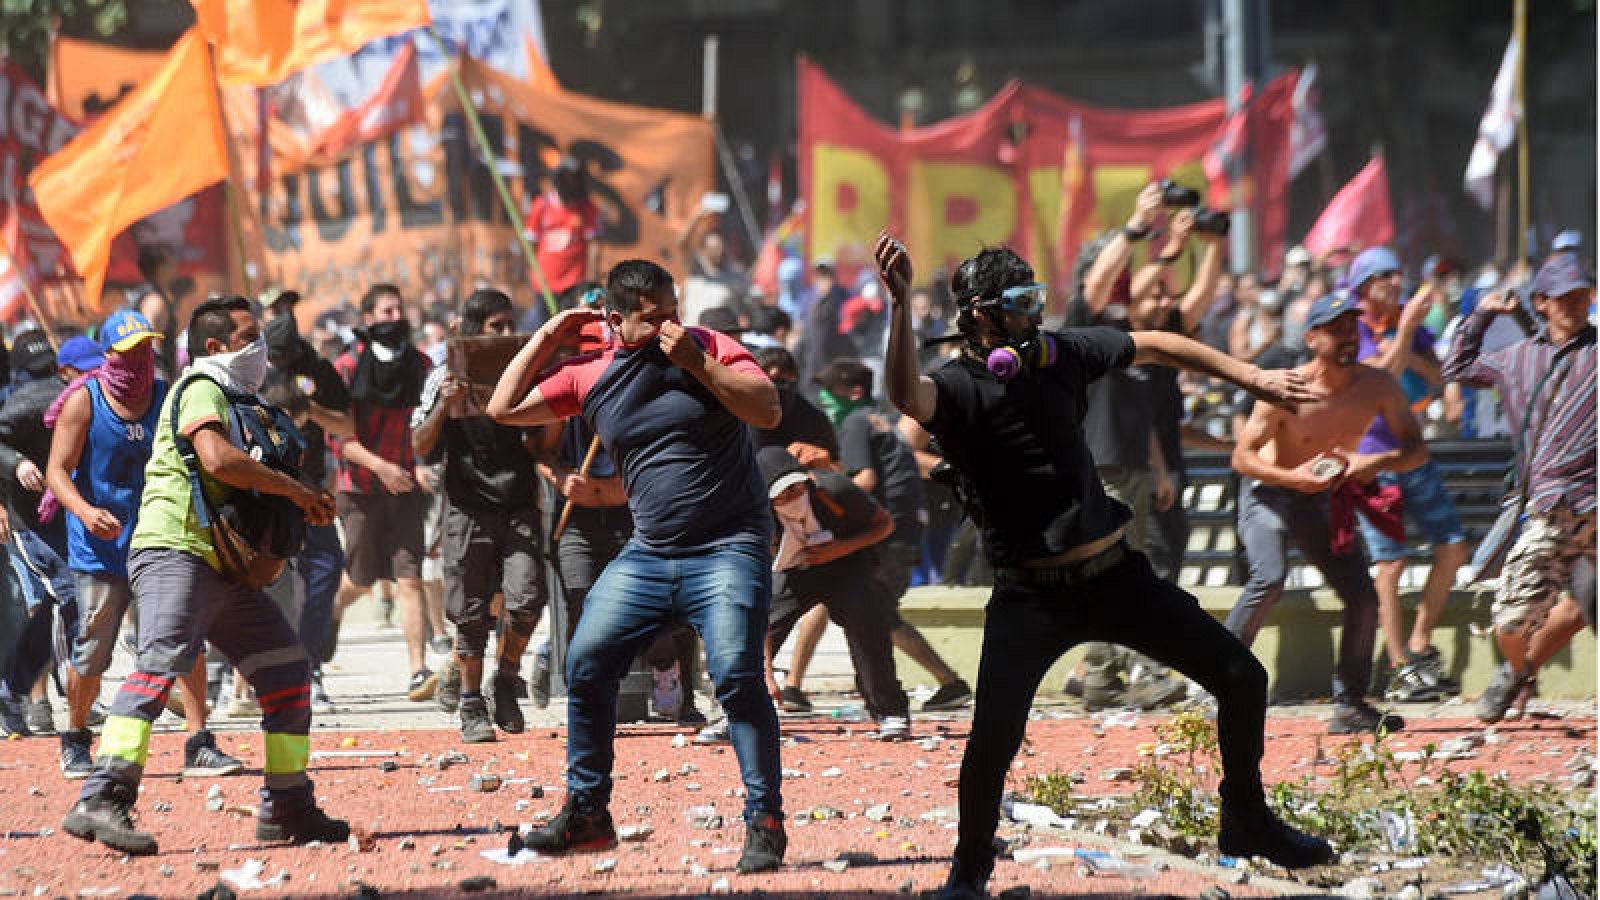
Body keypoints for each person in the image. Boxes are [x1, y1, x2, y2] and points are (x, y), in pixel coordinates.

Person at [872, 233, 1331, 899]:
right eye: (1021, 302)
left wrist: (1252, 376)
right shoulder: (958, 388)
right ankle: (967, 877)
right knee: (992, 741)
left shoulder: (1061, 353)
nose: (1036, 313)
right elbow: (904, 396)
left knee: (1242, 677)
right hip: (1029, 595)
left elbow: (1154, 343)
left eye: (1038, 297)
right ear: (980, 316)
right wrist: (896, 309)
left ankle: (1247, 820)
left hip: (1115, 578)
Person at [487, 259, 786, 874]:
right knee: (585, 662)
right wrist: (546, 336)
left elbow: (767, 409)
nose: (667, 328)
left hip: (729, 544)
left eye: (672, 312)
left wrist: (698, 364)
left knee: (734, 675)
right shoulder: (590, 374)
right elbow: (503, 407)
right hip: (652, 553)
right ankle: (588, 817)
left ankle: (765, 820)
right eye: (651, 320)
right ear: (613, 320)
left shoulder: (708, 346)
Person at [61, 295, 348, 855]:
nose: (260, 346)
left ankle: (287, 804)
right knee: (160, 661)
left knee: (288, 671)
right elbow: (216, 459)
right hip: (175, 547)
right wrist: (296, 490)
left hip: (219, 563)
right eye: (248, 336)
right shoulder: (201, 388)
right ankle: (102, 795)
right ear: (214, 347)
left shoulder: (240, 395)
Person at [46, 310, 240, 779]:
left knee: (185, 640)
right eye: (128, 351)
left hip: (160, 540)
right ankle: (75, 738)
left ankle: (198, 741)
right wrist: (87, 513)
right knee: (93, 649)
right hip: (99, 549)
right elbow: (56, 470)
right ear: (108, 355)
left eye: (145, 350)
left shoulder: (168, 398)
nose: (138, 360)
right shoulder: (84, 402)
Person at [1227, 292, 1425, 733]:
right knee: (1269, 576)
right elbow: (1242, 458)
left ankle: (1350, 704)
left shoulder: (1377, 386)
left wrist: (1377, 462)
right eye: (1335, 330)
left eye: (1350, 329)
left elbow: (1416, 450)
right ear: (1312, 338)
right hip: (1270, 493)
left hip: (1322, 500)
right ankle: (1217, 683)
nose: (1346, 338)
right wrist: (1295, 478)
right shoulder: (1286, 388)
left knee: (1362, 595)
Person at [1441, 255, 1596, 723]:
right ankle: (1520, 671)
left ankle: (1518, 674)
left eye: (1580, 294)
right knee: (1510, 620)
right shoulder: (1517, 360)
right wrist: (1485, 313)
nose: (1574, 304)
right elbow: (1458, 365)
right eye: (1562, 297)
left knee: (1588, 600)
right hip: (1548, 506)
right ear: (1542, 303)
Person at [411, 289, 547, 742]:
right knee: (469, 614)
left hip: (519, 502)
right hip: (468, 507)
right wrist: (446, 410)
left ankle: (506, 679)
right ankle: (471, 702)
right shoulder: (443, 376)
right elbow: (419, 445)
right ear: (472, 330)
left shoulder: (526, 372)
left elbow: (545, 441)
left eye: (511, 325)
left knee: (526, 601)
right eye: (496, 327)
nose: (507, 335)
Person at [1345, 247, 1470, 702]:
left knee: (1454, 547)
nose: (1395, 284)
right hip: (1374, 463)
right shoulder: (1351, 325)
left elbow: (1437, 376)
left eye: (1397, 275)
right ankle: (1399, 668)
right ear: (1363, 286)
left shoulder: (1407, 323)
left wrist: (1409, 337)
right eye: (1384, 277)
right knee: (1391, 564)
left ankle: (1419, 645)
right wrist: (1405, 334)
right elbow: (1379, 376)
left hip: (1415, 455)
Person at [755, 447, 911, 739]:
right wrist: (765, 672)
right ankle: (736, 712)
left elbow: (884, 524)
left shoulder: (835, 489)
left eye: (797, 486)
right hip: (792, 572)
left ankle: (890, 711)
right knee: (752, 629)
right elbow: (756, 602)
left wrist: (841, 548)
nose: (794, 496)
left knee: (868, 625)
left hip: (847, 564)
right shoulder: (757, 519)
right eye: (782, 493)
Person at [330, 284, 434, 702]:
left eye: (400, 310)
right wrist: (383, 468)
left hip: (405, 489)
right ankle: (327, 617)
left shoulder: (421, 365)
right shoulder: (347, 368)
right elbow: (339, 440)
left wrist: (421, 464)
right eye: (386, 312)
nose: (396, 318)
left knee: (410, 576)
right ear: (368, 318)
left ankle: (418, 670)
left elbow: (429, 425)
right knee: (360, 580)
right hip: (359, 490)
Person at [262, 292, 353, 713]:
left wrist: (307, 409)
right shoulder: (251, 365)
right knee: (262, 583)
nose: (275, 362)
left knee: (325, 572)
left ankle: (310, 664)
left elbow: (346, 424)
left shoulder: (316, 370)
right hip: (261, 485)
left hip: (310, 483)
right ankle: (238, 674)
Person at [0, 331, 72, 736]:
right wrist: (17, 465)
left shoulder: (87, 394)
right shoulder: (19, 403)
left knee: (65, 603)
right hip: (28, 522)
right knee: (58, 599)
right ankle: (26, 695)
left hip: (73, 517)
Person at [524, 157, 602, 312]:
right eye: (566, 179)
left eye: (574, 179)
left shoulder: (586, 208)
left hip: (574, 284)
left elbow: (594, 245)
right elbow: (530, 242)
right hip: (545, 284)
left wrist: (591, 279)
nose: (570, 184)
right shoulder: (542, 205)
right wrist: (533, 274)